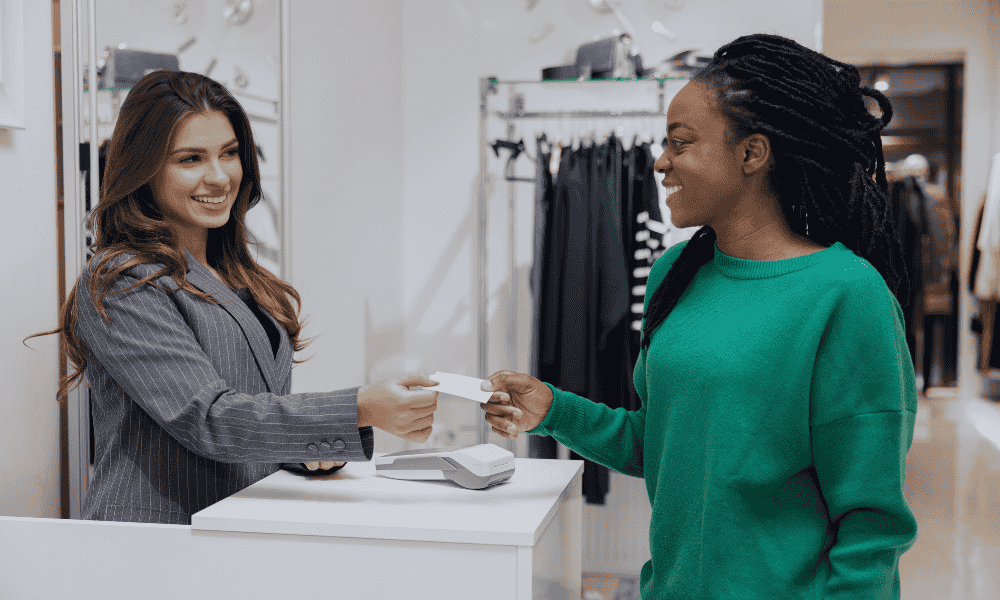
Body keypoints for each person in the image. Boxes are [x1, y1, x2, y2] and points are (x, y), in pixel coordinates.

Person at [480, 34, 919, 599]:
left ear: (751, 154)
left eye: (681, 143)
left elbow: (871, 525)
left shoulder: (847, 294)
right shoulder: (675, 273)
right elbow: (662, 443)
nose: (661, 162)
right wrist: (554, 410)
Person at [29, 70, 439, 525]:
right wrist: (358, 408)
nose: (220, 176)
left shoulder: (236, 274)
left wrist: (309, 449)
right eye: (191, 159)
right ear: (144, 169)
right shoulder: (122, 282)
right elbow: (210, 419)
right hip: (157, 537)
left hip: (235, 527)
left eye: (229, 153)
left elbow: (249, 413)